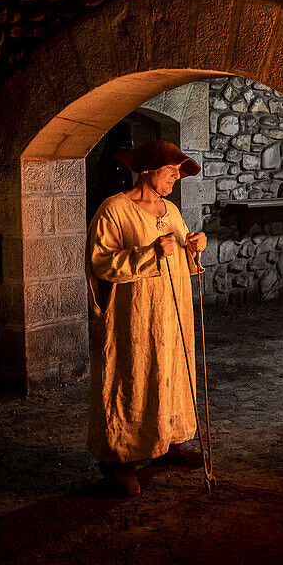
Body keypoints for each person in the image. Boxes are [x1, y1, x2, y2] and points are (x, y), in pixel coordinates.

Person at [85, 140, 208, 496]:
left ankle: (168, 443)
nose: (174, 179)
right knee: (132, 375)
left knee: (169, 370)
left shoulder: (170, 210)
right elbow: (100, 262)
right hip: (134, 316)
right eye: (171, 172)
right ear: (150, 170)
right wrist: (146, 252)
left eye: (177, 173)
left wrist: (193, 246)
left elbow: (182, 255)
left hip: (170, 312)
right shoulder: (115, 210)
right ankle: (119, 459)